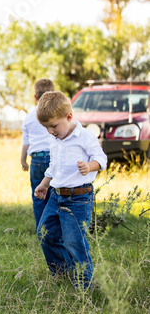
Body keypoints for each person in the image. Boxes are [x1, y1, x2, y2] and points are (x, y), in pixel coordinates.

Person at [34, 91, 107, 289]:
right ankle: (62, 271)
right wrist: (44, 183)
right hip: (56, 196)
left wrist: (89, 166)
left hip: (78, 199)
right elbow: (54, 166)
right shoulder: (55, 138)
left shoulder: (84, 136)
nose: (50, 131)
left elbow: (102, 159)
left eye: (53, 126)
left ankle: (84, 286)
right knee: (44, 233)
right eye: (46, 127)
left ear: (69, 117)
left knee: (75, 242)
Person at [21, 78, 55, 229]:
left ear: (35, 97)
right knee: (55, 195)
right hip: (54, 159)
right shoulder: (56, 115)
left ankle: (42, 229)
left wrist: (23, 160)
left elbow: (26, 143)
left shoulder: (29, 117)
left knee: (38, 195)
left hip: (36, 160)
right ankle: (54, 227)